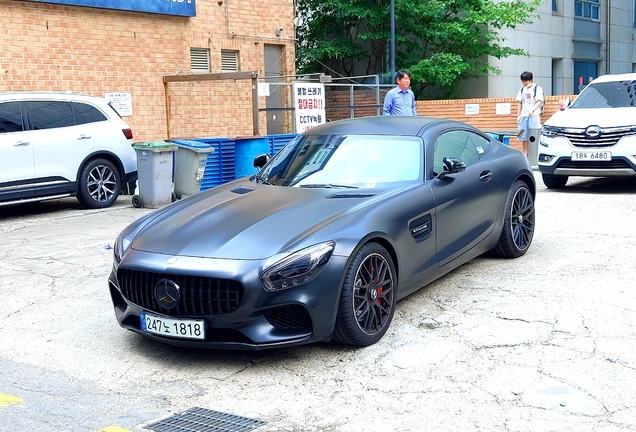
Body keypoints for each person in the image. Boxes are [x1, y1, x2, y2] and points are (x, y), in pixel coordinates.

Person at [515, 71, 544, 156]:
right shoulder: (521, 89)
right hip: (523, 115)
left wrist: (533, 110)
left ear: (530, 80)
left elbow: (539, 102)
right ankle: (525, 153)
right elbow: (519, 103)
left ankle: (534, 154)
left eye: (526, 81)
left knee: (534, 135)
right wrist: (518, 116)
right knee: (524, 136)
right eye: (523, 81)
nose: (524, 83)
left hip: (534, 115)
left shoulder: (537, 88)